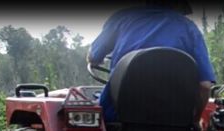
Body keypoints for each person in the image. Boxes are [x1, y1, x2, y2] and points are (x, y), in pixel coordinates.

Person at [87, 0, 216, 124]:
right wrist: (194, 120)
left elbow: (93, 57)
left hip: (118, 113)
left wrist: (96, 59)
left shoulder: (121, 18)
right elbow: (205, 85)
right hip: (172, 117)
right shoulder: (189, 27)